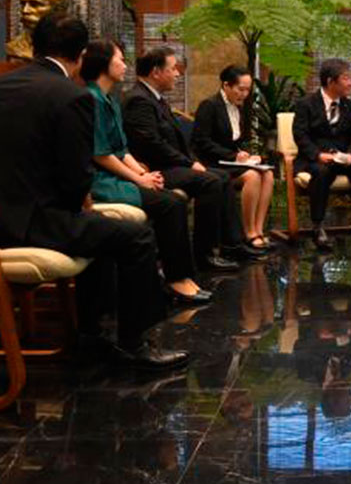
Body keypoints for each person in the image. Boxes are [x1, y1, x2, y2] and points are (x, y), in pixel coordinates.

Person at [0, 14, 186, 369]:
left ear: (36, 46)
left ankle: (93, 335)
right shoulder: (71, 96)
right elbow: (75, 179)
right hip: (26, 222)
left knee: (104, 234)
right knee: (136, 237)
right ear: (82, 55)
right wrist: (83, 208)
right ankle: (136, 344)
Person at [81, 39, 211, 306]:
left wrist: (141, 173)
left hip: (120, 174)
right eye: (119, 59)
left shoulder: (110, 99)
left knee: (170, 196)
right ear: (104, 64)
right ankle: (176, 279)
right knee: (171, 203)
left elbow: (122, 148)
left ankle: (180, 275)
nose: (125, 65)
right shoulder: (90, 99)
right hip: (100, 181)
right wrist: (139, 178)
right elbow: (101, 154)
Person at [123, 46, 250, 272]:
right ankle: (204, 253)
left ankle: (232, 244)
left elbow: (180, 142)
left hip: (172, 164)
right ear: (156, 72)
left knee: (220, 177)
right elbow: (152, 145)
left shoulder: (156, 99)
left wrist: (192, 161)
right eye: (173, 69)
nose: (178, 74)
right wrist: (189, 163)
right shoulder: (138, 100)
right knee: (211, 181)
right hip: (155, 169)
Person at [292, 58, 351, 250]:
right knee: (321, 173)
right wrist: (317, 155)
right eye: (346, 78)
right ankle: (318, 226)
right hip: (317, 159)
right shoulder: (306, 104)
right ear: (331, 81)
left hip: (344, 158)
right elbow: (300, 135)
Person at [192, 64, 276, 251]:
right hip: (212, 162)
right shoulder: (210, 105)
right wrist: (233, 155)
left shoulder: (241, 107)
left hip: (232, 160)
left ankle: (259, 229)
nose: (244, 94)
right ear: (226, 85)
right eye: (240, 89)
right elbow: (201, 141)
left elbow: (235, 140)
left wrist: (247, 155)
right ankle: (248, 233)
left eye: (248, 90)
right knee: (252, 176)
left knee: (268, 175)